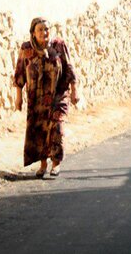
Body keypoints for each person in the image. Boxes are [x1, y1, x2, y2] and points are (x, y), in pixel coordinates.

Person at [14, 17, 79, 178]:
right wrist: (18, 97)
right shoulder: (26, 49)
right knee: (39, 130)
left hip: (58, 94)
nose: (44, 32)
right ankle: (43, 164)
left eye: (47, 29)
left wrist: (74, 90)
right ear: (33, 33)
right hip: (37, 97)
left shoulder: (58, 45)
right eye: (40, 29)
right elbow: (20, 73)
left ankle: (56, 163)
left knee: (57, 127)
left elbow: (69, 68)